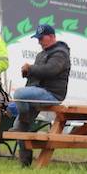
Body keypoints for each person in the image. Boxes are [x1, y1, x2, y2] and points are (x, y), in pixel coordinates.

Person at [11, 22, 72, 166]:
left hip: (52, 94)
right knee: (19, 126)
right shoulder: (41, 54)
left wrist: (30, 69)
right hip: (39, 92)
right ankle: (25, 164)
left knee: (19, 94)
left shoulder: (60, 53)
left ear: (51, 36)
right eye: (38, 39)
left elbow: (51, 70)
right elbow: (34, 78)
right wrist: (27, 73)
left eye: (41, 38)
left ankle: (25, 118)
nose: (39, 42)